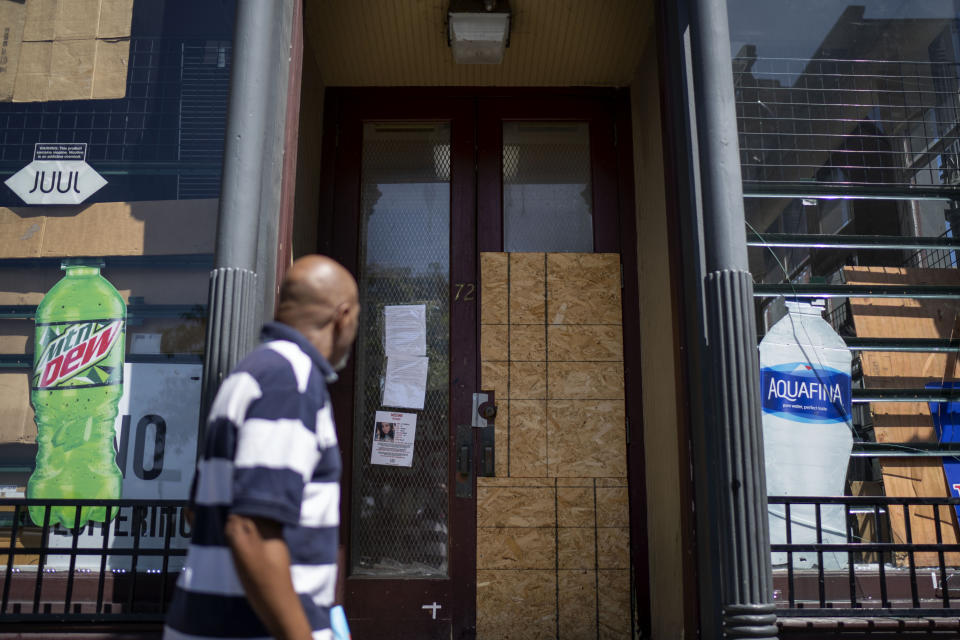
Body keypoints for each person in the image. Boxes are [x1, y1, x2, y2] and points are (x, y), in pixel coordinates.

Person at [164, 255, 360, 640]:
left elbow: (197, 512)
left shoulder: (251, 372)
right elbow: (250, 527)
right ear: (343, 316)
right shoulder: (292, 381)